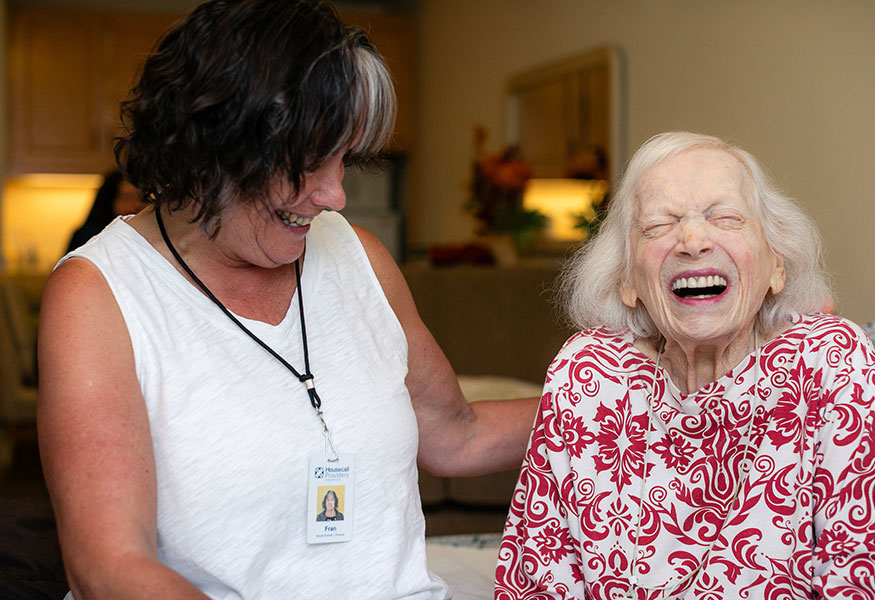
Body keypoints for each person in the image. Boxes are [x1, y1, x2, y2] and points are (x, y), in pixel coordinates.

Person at [37, 2, 536, 598]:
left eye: (343, 159)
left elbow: (461, 434)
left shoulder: (361, 259)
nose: (335, 194)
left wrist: (628, 396)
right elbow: (111, 568)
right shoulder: (99, 296)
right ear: (215, 143)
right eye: (307, 163)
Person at [495, 132, 875, 599]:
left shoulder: (829, 361)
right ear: (628, 281)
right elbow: (538, 579)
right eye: (658, 226)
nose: (691, 240)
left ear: (777, 267)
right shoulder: (589, 375)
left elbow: (861, 578)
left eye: (725, 217)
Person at [65, 170, 144, 253]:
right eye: (126, 198)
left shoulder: (148, 235)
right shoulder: (88, 235)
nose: (135, 205)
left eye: (142, 199)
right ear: (109, 198)